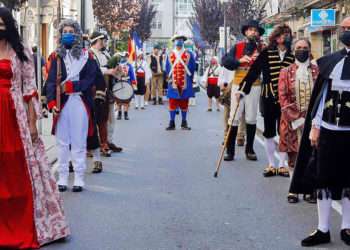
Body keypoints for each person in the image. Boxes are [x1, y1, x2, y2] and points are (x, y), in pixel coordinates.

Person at [0, 7, 69, 248]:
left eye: (2, 23)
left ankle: (26, 223)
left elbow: (29, 89)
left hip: (13, 113)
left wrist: (32, 123)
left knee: (18, 169)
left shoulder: (21, 51)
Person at [290, 17, 350, 247]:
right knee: (322, 179)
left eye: (349, 29)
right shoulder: (329, 61)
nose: (346, 32)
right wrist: (314, 127)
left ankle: (347, 227)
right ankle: (323, 229)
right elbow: (321, 97)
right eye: (343, 28)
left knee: (348, 180)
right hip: (327, 130)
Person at [47, 19, 104, 192]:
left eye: (71, 31)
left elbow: (92, 78)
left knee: (79, 142)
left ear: (77, 34)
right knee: (62, 142)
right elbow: (50, 82)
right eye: (65, 31)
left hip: (79, 101)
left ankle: (79, 178)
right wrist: (51, 103)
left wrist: (73, 86)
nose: (68, 34)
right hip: (62, 103)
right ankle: (63, 178)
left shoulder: (87, 56)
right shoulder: (56, 57)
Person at [234, 24, 294, 175]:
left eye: (287, 35)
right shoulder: (267, 53)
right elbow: (254, 72)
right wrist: (242, 89)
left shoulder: (293, 55)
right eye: (282, 35)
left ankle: (282, 164)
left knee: (284, 133)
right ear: (276, 37)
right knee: (269, 132)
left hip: (287, 102)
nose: (285, 38)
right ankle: (271, 164)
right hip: (268, 97)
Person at [278, 38, 319, 203]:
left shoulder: (319, 70)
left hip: (314, 121)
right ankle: (293, 190)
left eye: (305, 47)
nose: (302, 50)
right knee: (293, 155)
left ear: (310, 50)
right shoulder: (285, 72)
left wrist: (313, 119)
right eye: (298, 47)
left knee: (312, 156)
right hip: (292, 120)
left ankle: (309, 189)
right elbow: (283, 97)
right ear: (294, 50)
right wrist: (297, 118)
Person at [222, 20, 265, 161]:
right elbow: (225, 61)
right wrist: (239, 61)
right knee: (233, 118)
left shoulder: (263, 48)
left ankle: (250, 149)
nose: (253, 32)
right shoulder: (237, 46)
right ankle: (230, 150)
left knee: (251, 118)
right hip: (238, 84)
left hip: (254, 85)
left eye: (256, 30)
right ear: (246, 32)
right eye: (251, 30)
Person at [165, 34, 196, 130]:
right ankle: (172, 122)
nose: (179, 42)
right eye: (177, 40)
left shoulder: (189, 54)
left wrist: (190, 81)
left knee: (184, 103)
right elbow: (167, 68)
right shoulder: (170, 54)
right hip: (173, 82)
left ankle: (184, 122)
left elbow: (192, 68)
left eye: (181, 40)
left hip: (185, 82)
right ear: (174, 42)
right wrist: (169, 79)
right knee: (172, 103)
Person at [111, 52, 137, 120]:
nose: (124, 57)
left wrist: (134, 84)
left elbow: (132, 75)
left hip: (127, 82)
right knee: (118, 100)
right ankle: (119, 114)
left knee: (126, 99)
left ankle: (126, 114)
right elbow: (113, 74)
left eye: (125, 56)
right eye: (122, 56)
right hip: (118, 83)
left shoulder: (129, 65)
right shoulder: (117, 65)